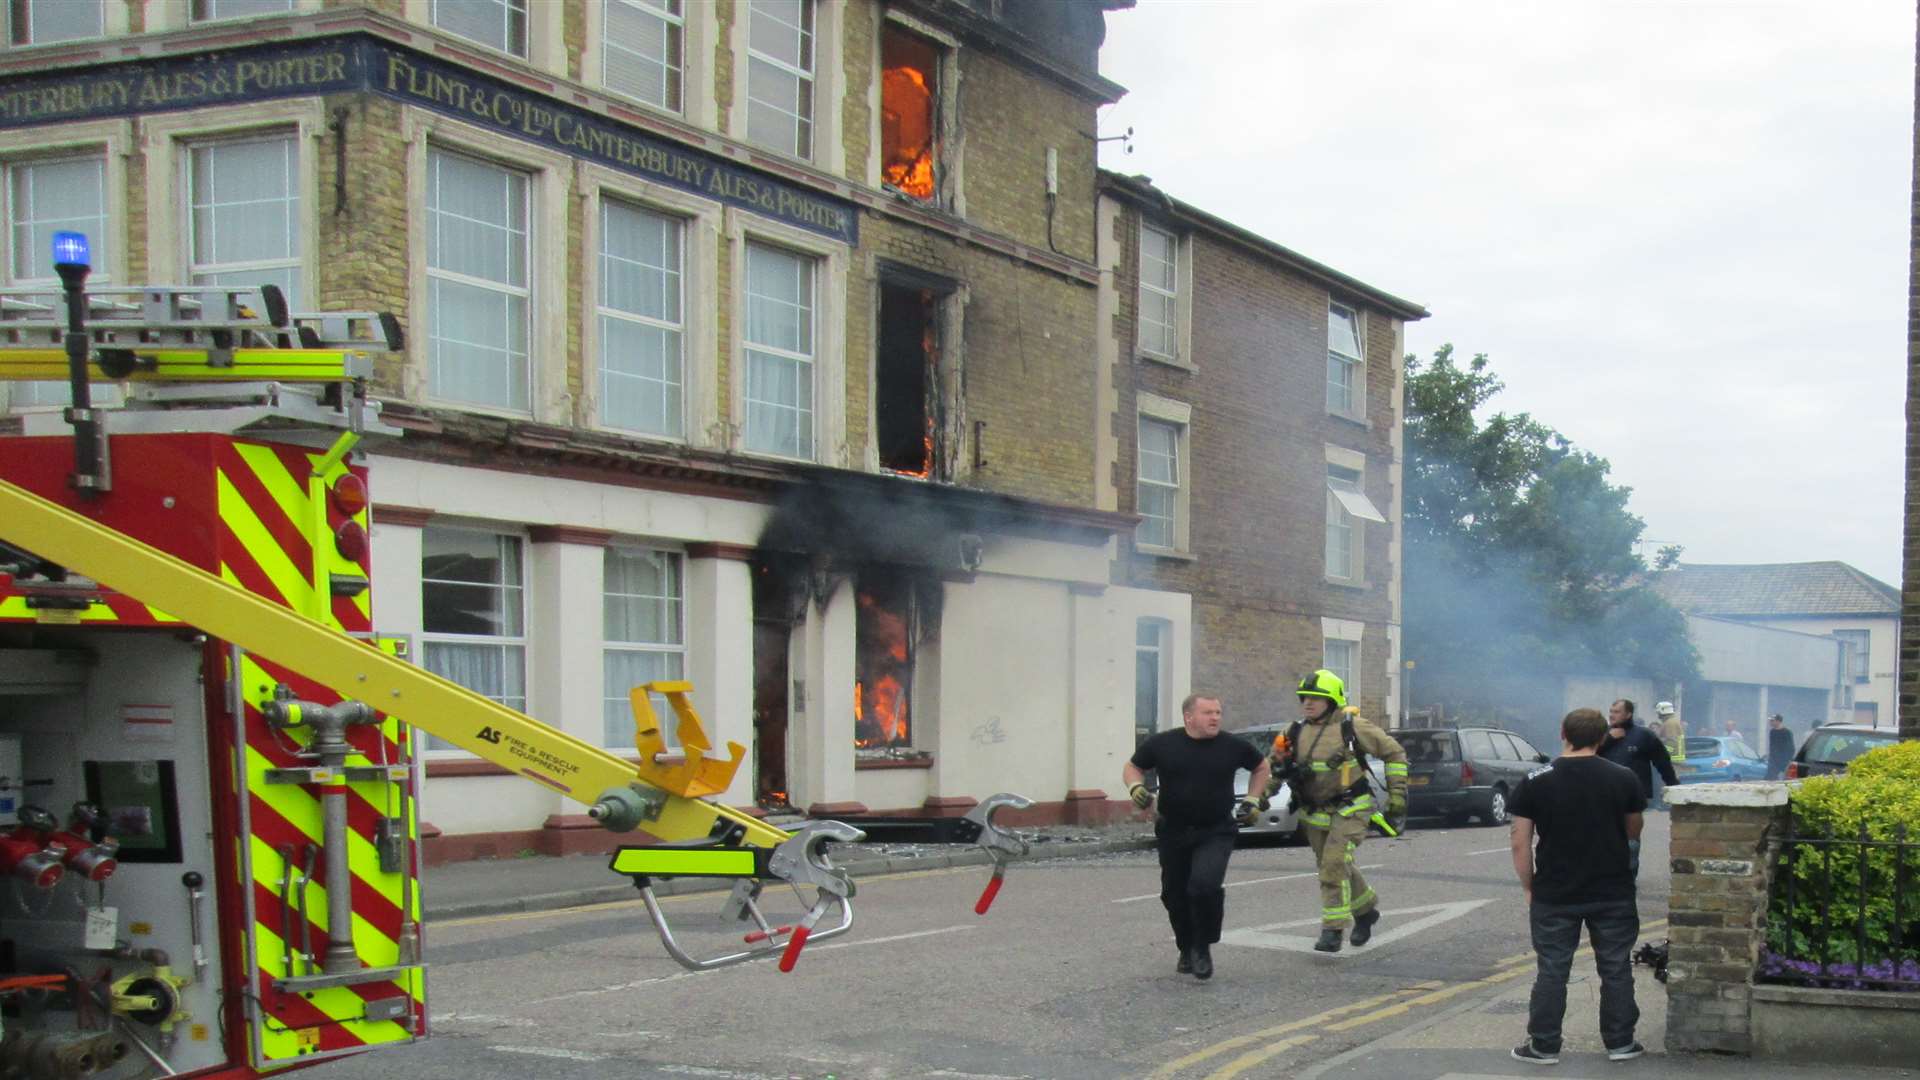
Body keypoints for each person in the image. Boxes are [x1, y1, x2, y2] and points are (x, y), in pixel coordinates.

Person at [1508, 708, 1647, 1066]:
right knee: (1616, 967)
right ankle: (1620, 1043)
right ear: (1602, 738)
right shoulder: (1624, 777)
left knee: (1553, 968)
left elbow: (1520, 842)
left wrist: (1529, 886)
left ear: (1562, 733)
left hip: (1555, 891)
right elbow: (1634, 829)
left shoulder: (1536, 780)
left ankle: (1544, 1046)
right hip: (1612, 890)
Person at [1123, 693, 1269, 980]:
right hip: (1173, 830)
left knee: (1204, 886)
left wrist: (1253, 798)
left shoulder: (1232, 745)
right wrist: (1135, 788)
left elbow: (1261, 767)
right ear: (1189, 717)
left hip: (1215, 830)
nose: (1215, 717)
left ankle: (1202, 946)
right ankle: (1186, 947)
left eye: (1218, 712)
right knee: (1173, 894)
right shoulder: (1163, 744)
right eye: (1208, 713)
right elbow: (1133, 767)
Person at [1264, 669, 1408, 954]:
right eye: (1305, 697)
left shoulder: (1352, 726)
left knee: (1333, 863)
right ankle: (1366, 912)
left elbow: (1394, 753)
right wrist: (1259, 800)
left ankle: (1333, 930)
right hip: (1313, 811)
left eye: (1316, 698)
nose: (1308, 703)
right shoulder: (1292, 732)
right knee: (1334, 865)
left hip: (1351, 808)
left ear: (1332, 700)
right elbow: (1273, 768)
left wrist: (1397, 796)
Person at [1598, 699, 1678, 816]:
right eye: (1611, 711)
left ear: (1628, 714)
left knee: (1631, 830)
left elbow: (1662, 762)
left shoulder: (1644, 735)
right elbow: (1588, 755)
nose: (1611, 715)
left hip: (1634, 793)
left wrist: (1673, 784)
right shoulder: (1601, 734)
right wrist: (1609, 739)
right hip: (1606, 792)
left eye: (1617, 712)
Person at [1766, 714, 1795, 780]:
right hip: (1773, 760)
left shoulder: (1787, 732)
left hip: (1784, 759)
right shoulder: (1772, 732)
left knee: (1788, 779)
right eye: (1770, 721)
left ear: (1778, 721)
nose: (1771, 722)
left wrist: (1788, 759)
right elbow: (1772, 745)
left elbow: (1791, 747)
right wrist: (1770, 756)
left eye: (1772, 721)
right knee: (1770, 777)